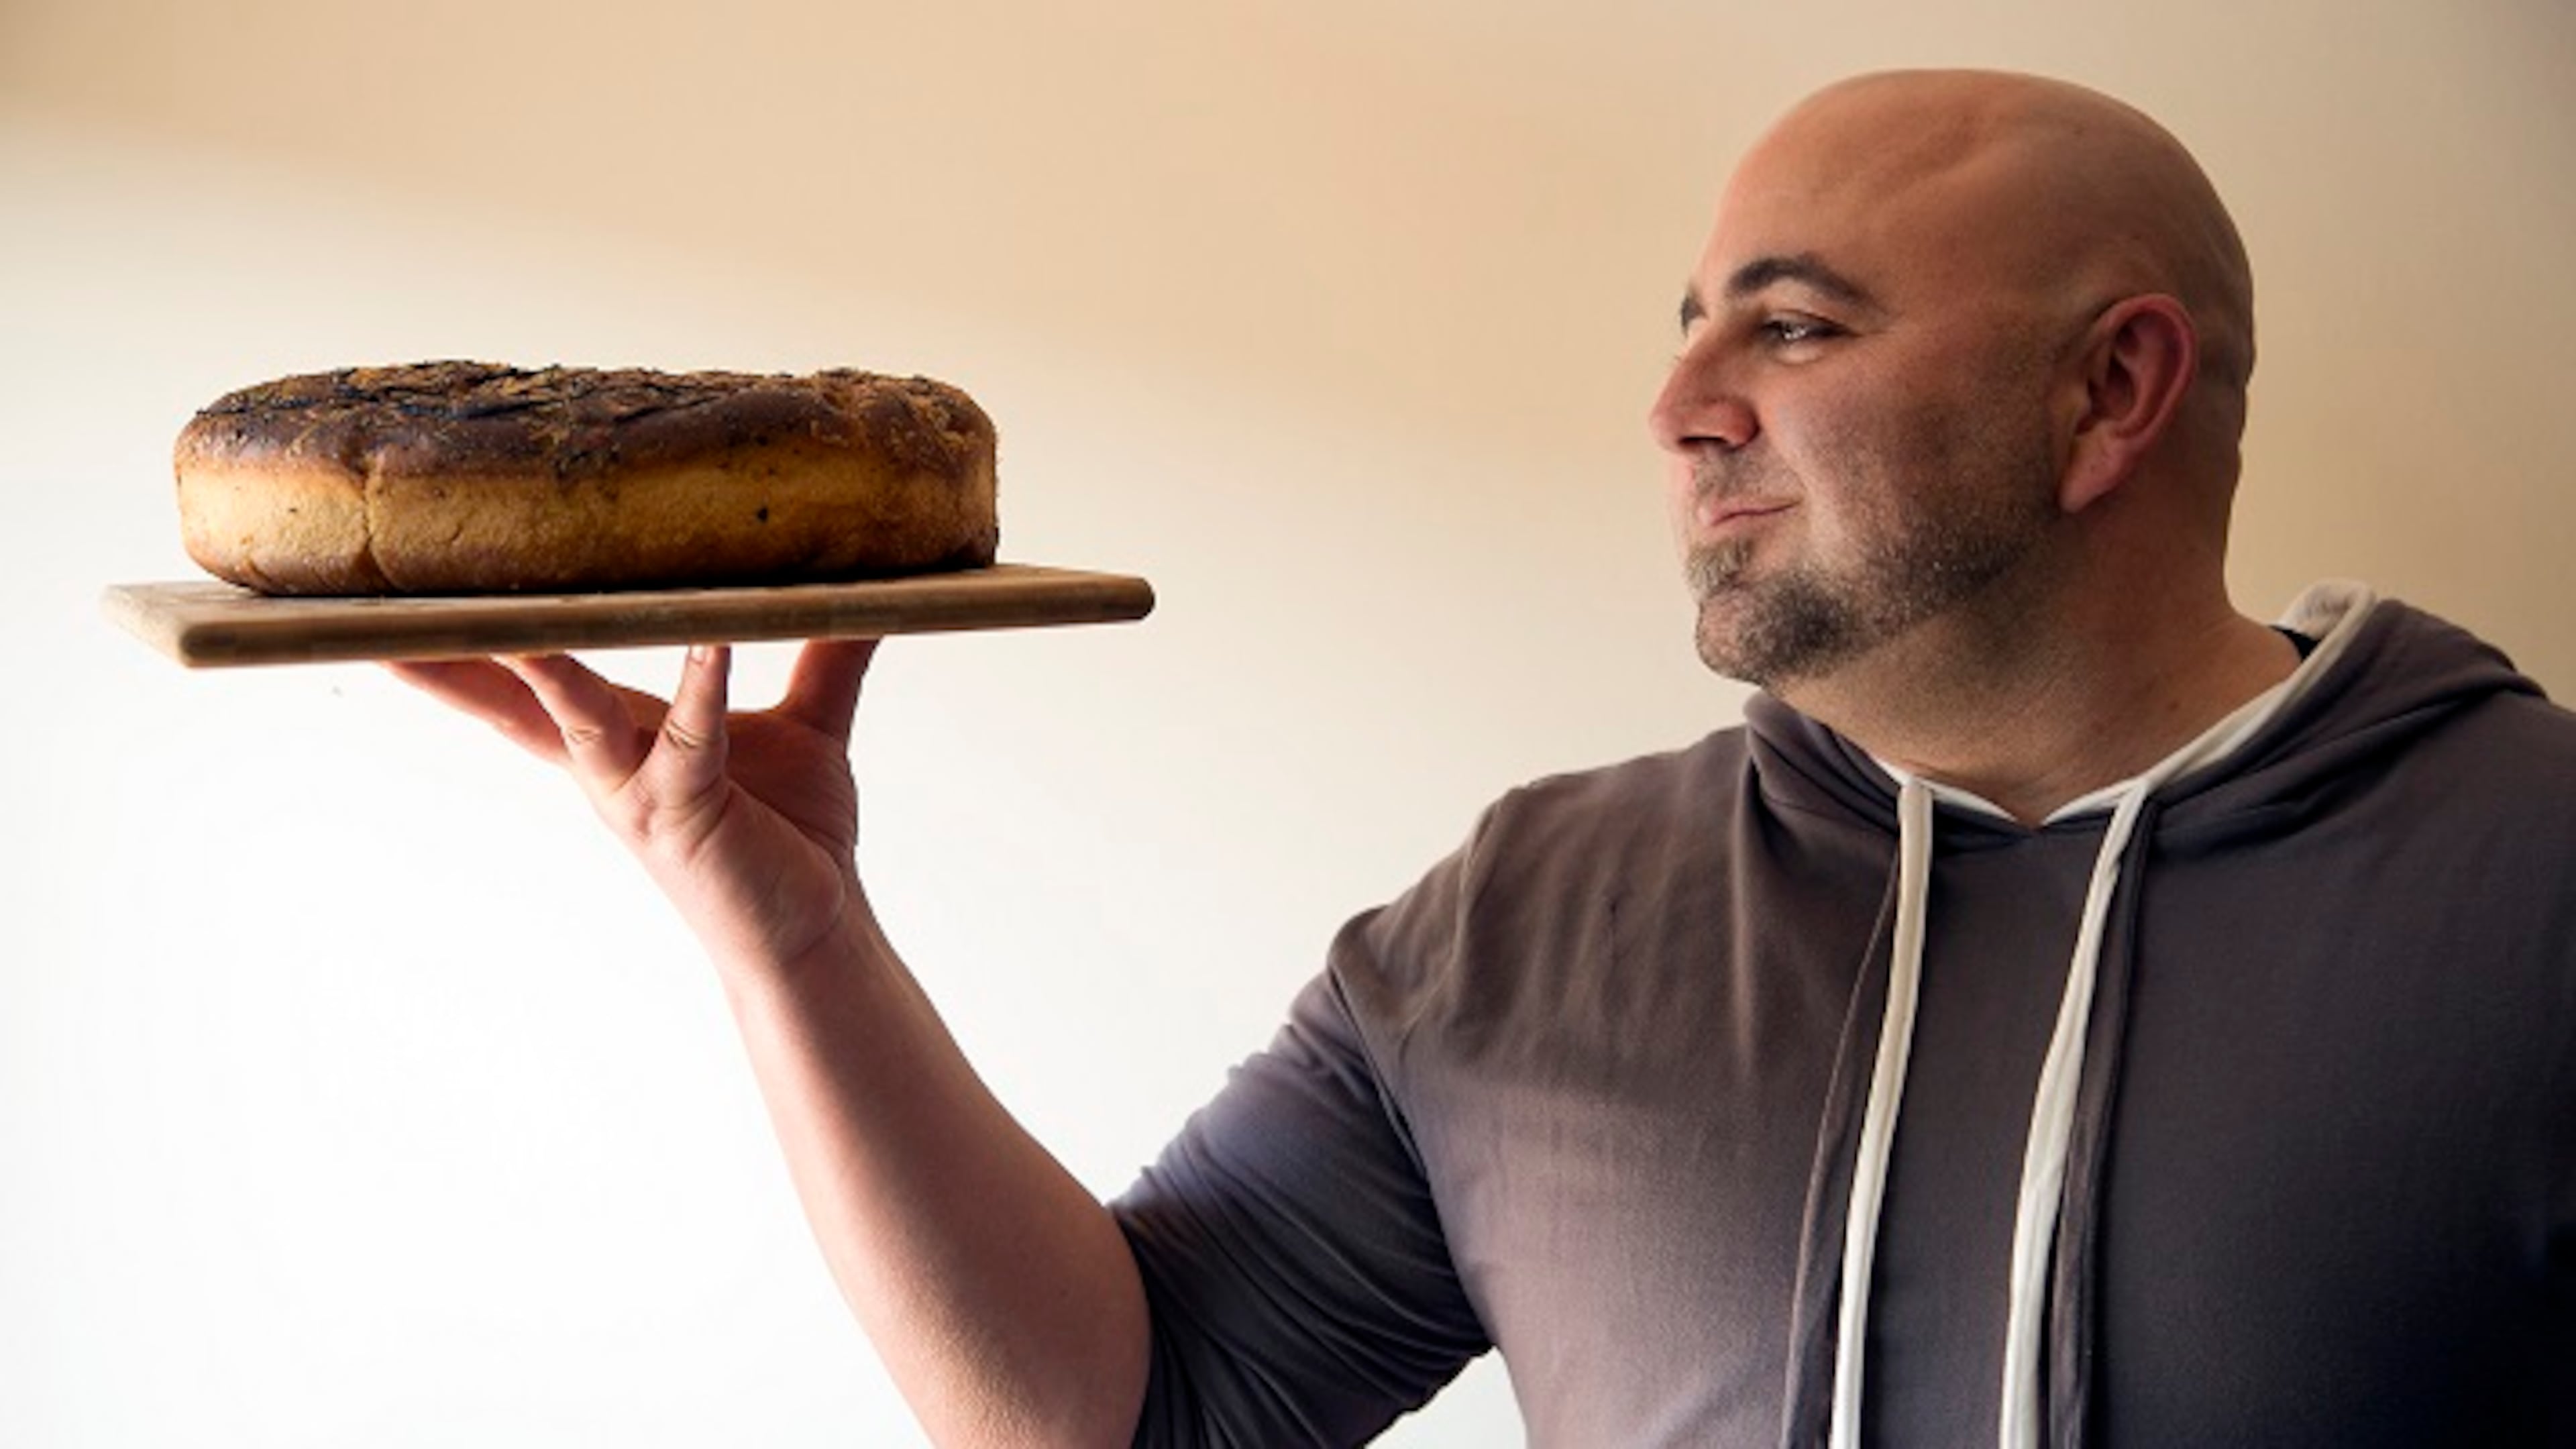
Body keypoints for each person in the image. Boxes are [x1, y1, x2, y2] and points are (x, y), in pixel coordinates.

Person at [392, 68, 2576, 1448]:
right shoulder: (1533, 915)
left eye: (1793, 328)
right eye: (1690, 323)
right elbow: (1131, 1416)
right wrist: (793, 935)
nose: (1680, 406)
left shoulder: (2535, 876)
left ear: (2113, 396)